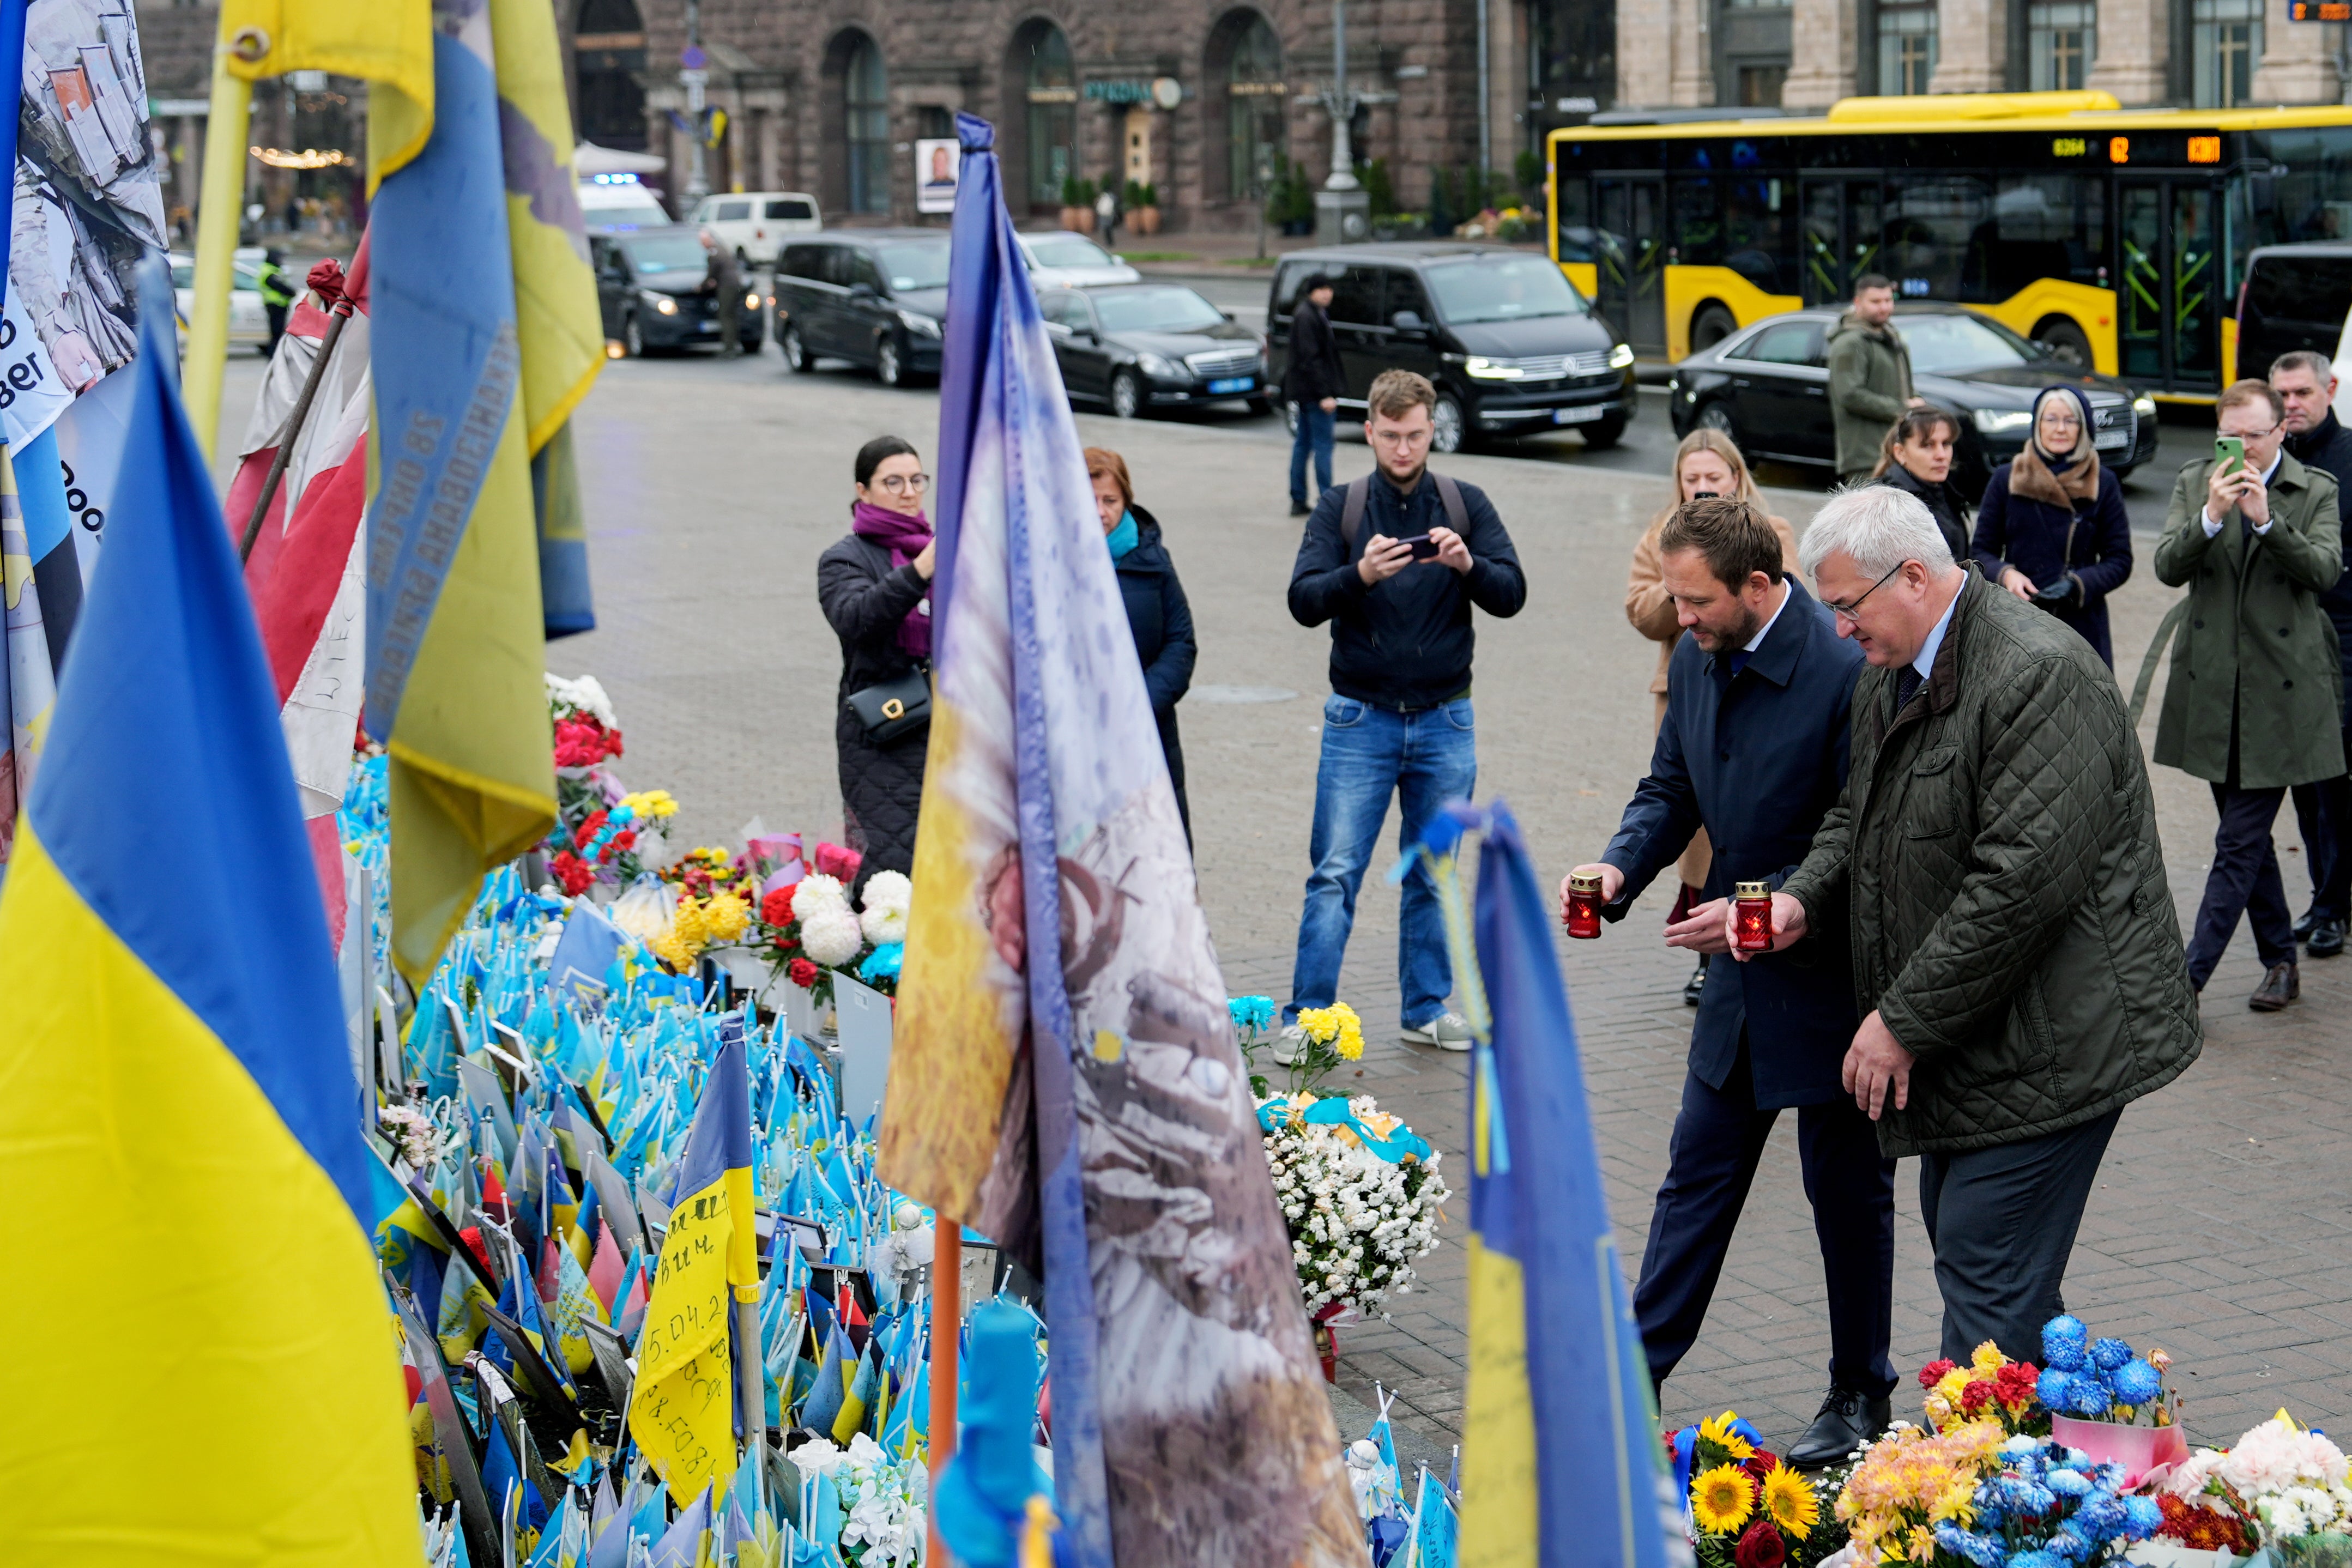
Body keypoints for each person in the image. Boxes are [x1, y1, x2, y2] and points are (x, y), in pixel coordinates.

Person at [1746, 485, 2199, 1365]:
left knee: (1986, 1283)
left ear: (1913, 576)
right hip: (1983, 1039)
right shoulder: (1895, 668)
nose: (1839, 630)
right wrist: (1804, 895)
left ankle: (1964, 1488)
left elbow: (2018, 886)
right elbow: (1859, 815)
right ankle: (2066, 1475)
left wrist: (1901, 1023)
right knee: (1994, 1274)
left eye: (1846, 606)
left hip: (2059, 1043)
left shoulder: (2039, 673)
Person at [1568, 497, 1891, 1467]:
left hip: (1831, 979)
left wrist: (1767, 906)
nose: (1682, 618)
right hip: (1738, 983)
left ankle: (1859, 1391)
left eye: (1696, 601)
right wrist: (1621, 867)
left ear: (1760, 586)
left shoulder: (1844, 671)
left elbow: (1864, 834)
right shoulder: (1702, 658)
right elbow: (1670, 786)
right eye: (1675, 599)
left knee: (1845, 1195)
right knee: (1695, 1178)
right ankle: (1636, 1375)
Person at [1284, 369, 1525, 1052]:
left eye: (1415, 435)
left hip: (1447, 720)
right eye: (1389, 435)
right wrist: (1359, 575)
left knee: (1434, 872)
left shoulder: (1463, 500)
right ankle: (1306, 1019)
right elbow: (1302, 601)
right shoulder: (1342, 506)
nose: (1402, 448)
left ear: (1431, 429)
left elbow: (1512, 593)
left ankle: (1425, 1008)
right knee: (1334, 873)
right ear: (1369, 431)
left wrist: (1465, 564)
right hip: (1359, 720)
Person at [2151, 379, 2347, 1010]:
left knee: (2236, 843)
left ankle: (2189, 981)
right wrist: (2210, 517)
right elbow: (2165, 568)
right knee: (2250, 841)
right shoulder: (2195, 482)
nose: (2240, 450)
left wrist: (2266, 522)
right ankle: (2280, 963)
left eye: (2253, 438)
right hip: (2212, 692)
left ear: (2280, 431)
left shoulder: (2314, 489)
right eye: (2227, 438)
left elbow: (2323, 571)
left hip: (2281, 695)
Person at [1627, 429, 1799, 1006]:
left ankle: (1745, 931)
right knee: (1699, 828)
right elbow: (1644, 615)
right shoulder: (1659, 538)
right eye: (1691, 479)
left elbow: (1793, 600)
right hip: (1693, 688)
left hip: (1763, 693)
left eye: (1713, 478)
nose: (1701, 489)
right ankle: (1710, 952)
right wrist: (1685, 586)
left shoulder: (1772, 536)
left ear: (1736, 476)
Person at [818, 436, 936, 895]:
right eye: (893, 482)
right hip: (886, 739)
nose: (908, 492)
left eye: (916, 480)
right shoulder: (845, 558)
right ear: (863, 491)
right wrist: (918, 572)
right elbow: (857, 619)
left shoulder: (943, 549)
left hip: (948, 731)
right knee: (891, 876)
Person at [2271, 350, 2352, 960]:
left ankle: (2331, 907)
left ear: (2330, 388)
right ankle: (2327, 899)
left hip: (2343, 636)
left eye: (2301, 393)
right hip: (2284, 641)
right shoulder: (2267, 463)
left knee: (2334, 782)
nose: (2292, 405)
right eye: (2282, 396)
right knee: (2304, 781)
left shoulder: (2348, 459)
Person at [1969, 385, 2133, 667]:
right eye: (2051, 419)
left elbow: (2120, 560)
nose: (2060, 429)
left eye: (2070, 420)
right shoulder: (2007, 478)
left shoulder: (2103, 482)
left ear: (2084, 428)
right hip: (2017, 620)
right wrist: (2007, 576)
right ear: (2037, 424)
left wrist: (2078, 585)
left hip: (2082, 624)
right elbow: (1981, 552)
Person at [1087, 446, 1198, 839]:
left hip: (1147, 738)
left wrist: (1138, 705)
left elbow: (1181, 643)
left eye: (1110, 501)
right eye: (1089, 500)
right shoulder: (1047, 564)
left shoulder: (1152, 559)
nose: (1100, 512)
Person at [1827, 274, 1921, 488]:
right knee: (1869, 519)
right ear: (1858, 303)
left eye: (1888, 300)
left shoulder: (1890, 337)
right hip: (1865, 457)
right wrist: (1902, 409)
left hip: (1894, 449)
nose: (1884, 307)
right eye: (1876, 302)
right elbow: (1850, 396)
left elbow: (1903, 388)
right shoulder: (1849, 342)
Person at [1869, 405, 1973, 563]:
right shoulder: (1887, 506)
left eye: (1946, 444)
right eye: (1927, 445)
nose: (1941, 455)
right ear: (1900, 452)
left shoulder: (1946, 493)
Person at [1285, 274, 1346, 518]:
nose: (1327, 293)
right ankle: (1327, 500)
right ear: (1311, 292)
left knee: (1303, 444)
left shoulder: (1313, 313)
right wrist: (1325, 395)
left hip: (1306, 392)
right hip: (1315, 394)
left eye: (1329, 289)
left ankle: (1299, 498)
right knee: (1322, 446)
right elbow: (1311, 360)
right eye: (1321, 289)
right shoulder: (1308, 317)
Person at [703, 228, 742, 359]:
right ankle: (732, 345)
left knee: (725, 315)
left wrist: (702, 286)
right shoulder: (721, 248)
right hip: (733, 283)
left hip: (727, 286)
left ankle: (729, 348)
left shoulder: (714, 252)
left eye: (703, 242)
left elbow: (712, 272)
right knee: (731, 315)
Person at [257, 248, 294, 355]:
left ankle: (275, 354)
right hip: (275, 305)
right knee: (276, 334)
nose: (280, 260)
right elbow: (279, 286)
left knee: (278, 333)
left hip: (279, 305)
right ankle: (274, 356)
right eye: (279, 258)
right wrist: (292, 292)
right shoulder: (268, 271)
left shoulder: (273, 270)